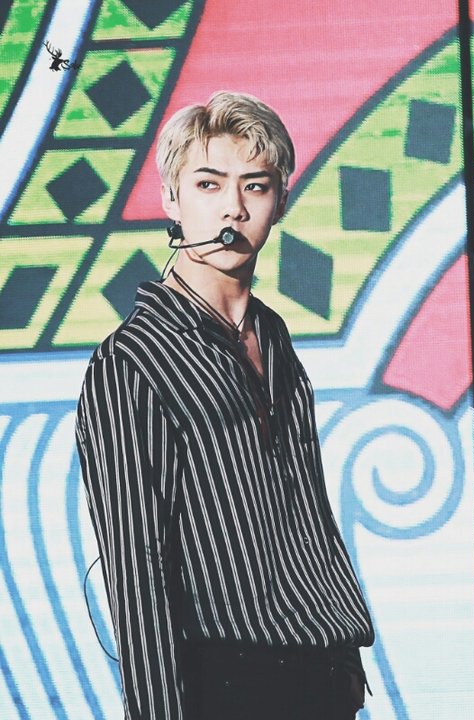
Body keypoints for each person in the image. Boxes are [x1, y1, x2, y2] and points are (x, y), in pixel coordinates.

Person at [76, 90, 374, 720]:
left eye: (254, 186)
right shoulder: (132, 361)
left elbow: (306, 506)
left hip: (322, 669)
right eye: (208, 184)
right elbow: (137, 570)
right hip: (225, 682)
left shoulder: (272, 335)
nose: (233, 208)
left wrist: (346, 658)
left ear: (280, 201)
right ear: (171, 199)